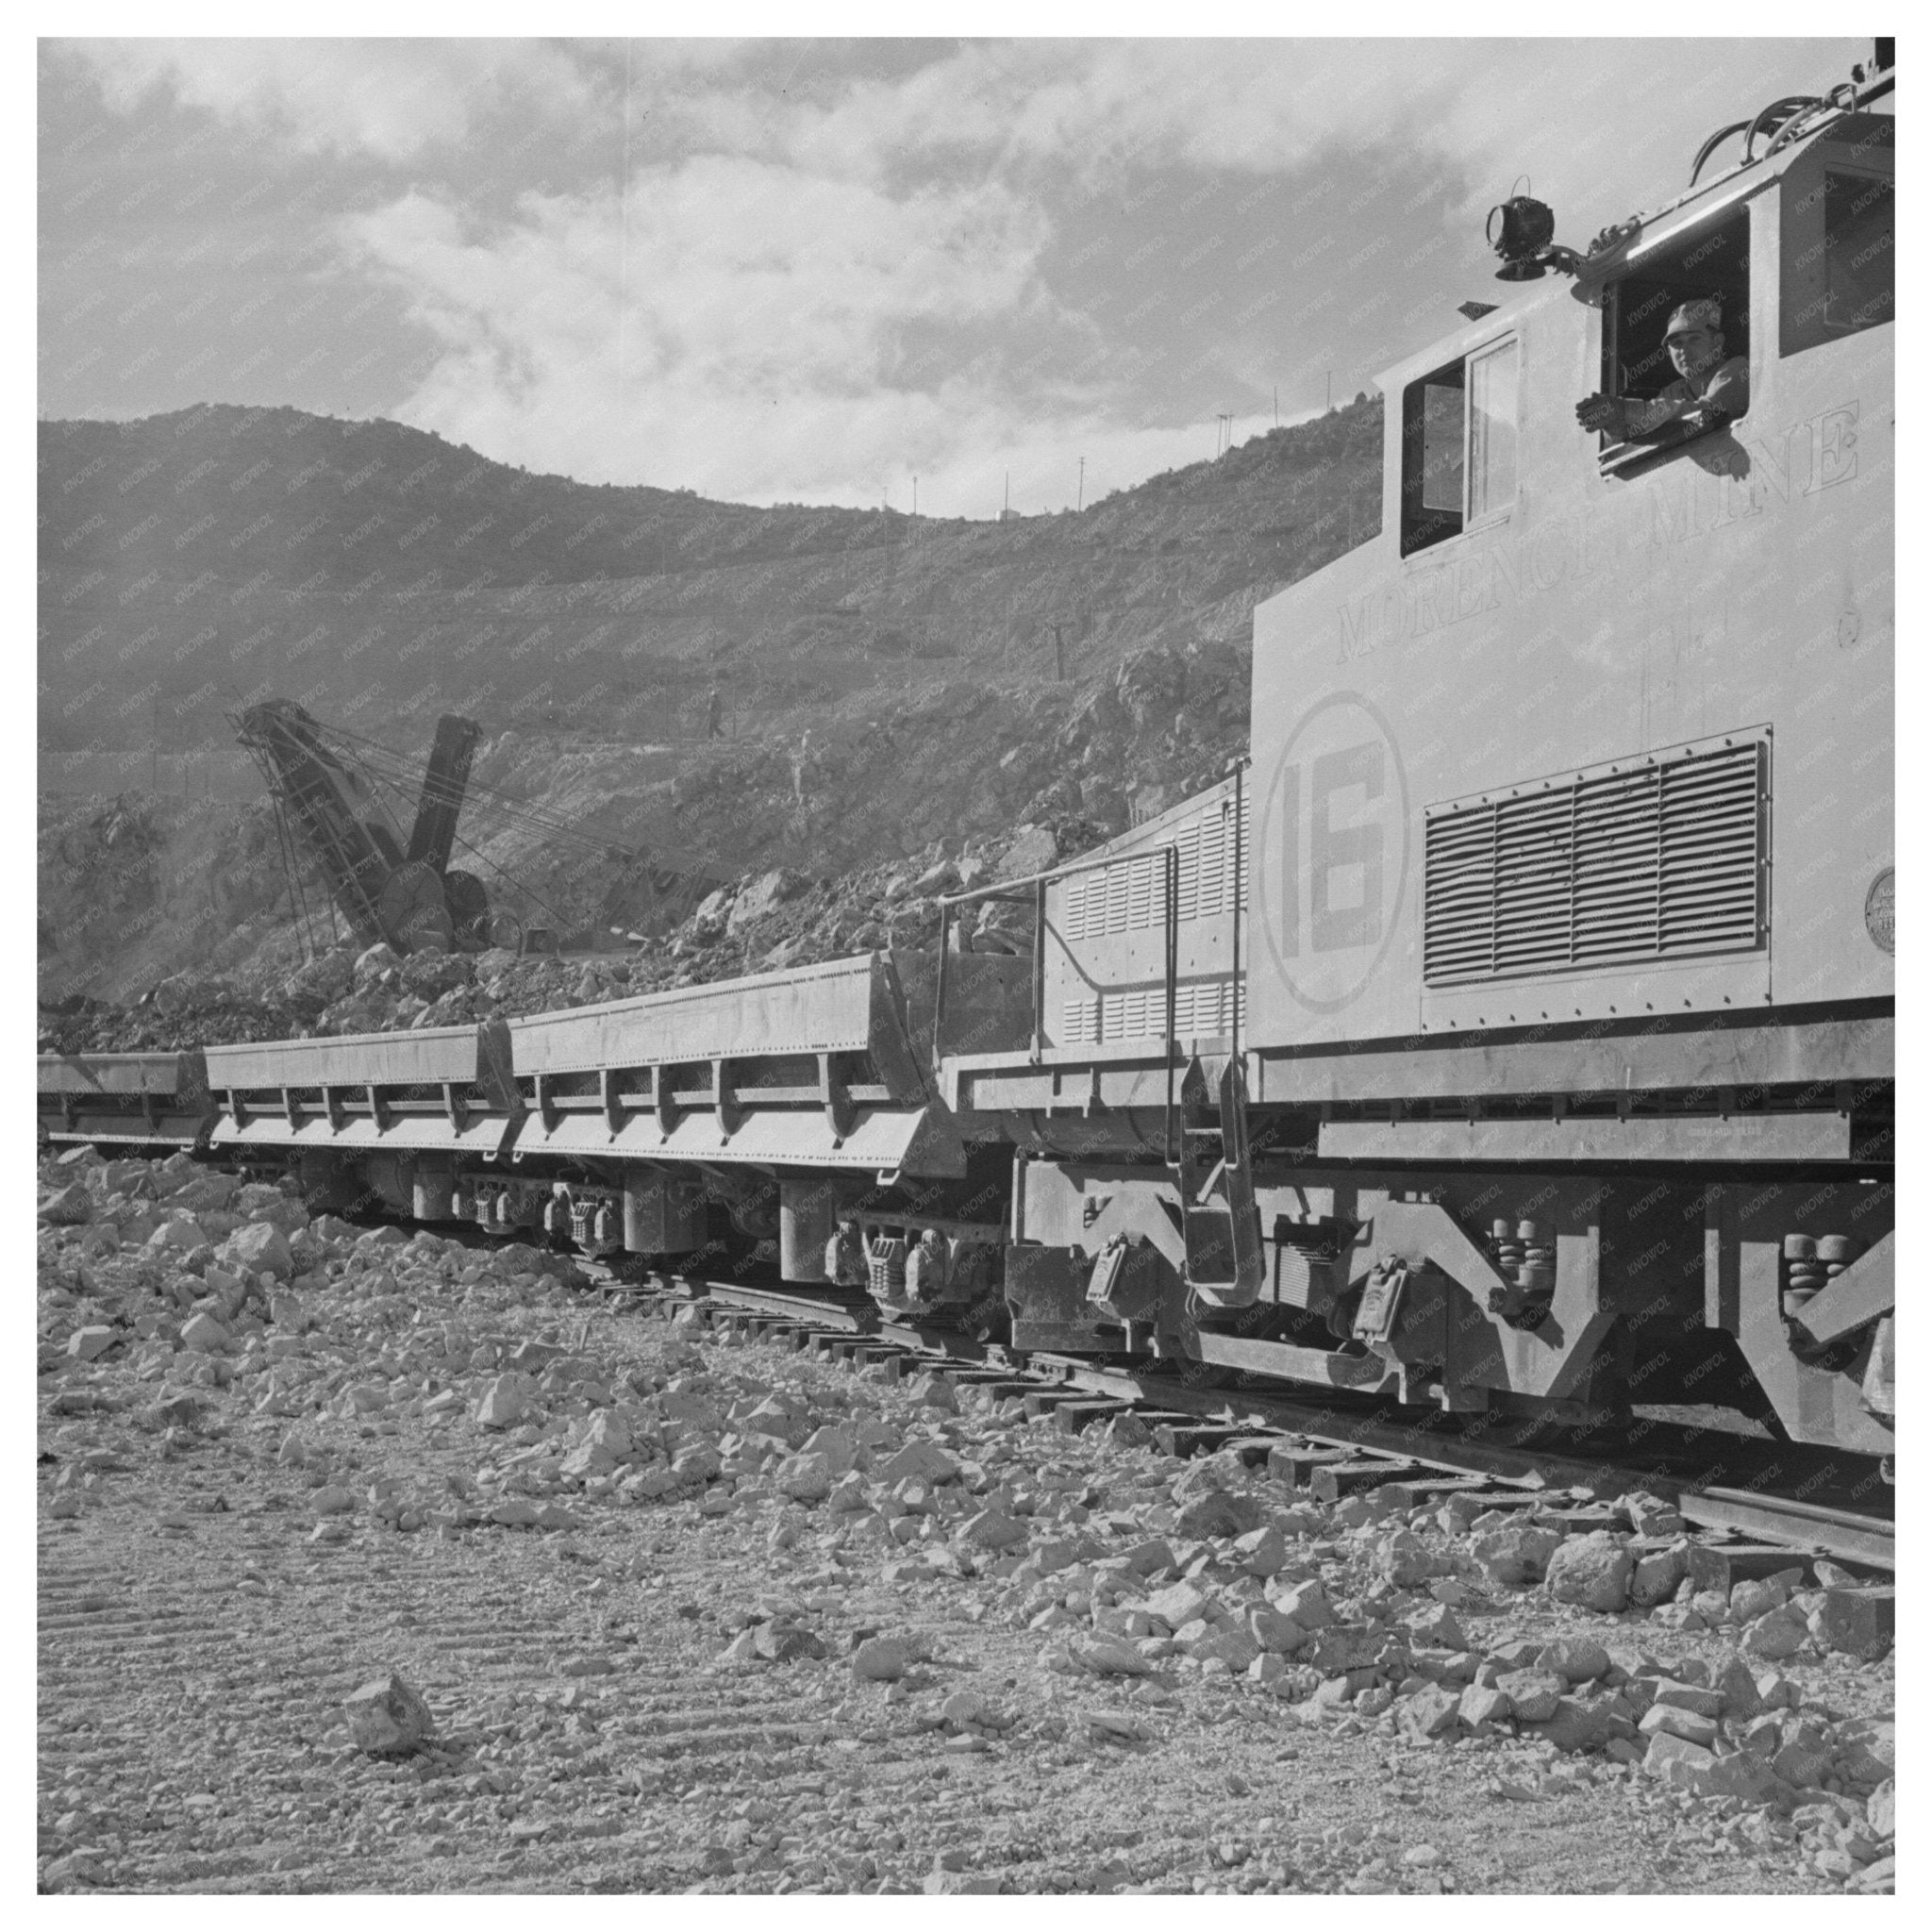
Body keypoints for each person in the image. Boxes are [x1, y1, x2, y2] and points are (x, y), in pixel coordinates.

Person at [1574, 297, 1748, 443]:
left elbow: (1708, 413)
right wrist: (1614, 423)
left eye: (1694, 339)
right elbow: (1642, 431)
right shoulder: (1675, 391)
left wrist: (1624, 409)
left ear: (1718, 342)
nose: (1684, 350)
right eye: (1676, 343)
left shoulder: (1739, 370)